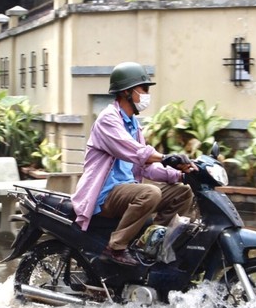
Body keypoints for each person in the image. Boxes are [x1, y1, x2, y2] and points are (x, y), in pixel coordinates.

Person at [70, 62, 196, 266]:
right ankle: (116, 247)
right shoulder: (108, 120)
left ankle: (150, 244)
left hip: (127, 190)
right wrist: (166, 157)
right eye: (144, 89)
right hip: (105, 194)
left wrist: (181, 175)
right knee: (150, 193)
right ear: (128, 92)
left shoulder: (133, 125)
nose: (147, 94)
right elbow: (136, 152)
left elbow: (147, 167)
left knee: (183, 192)